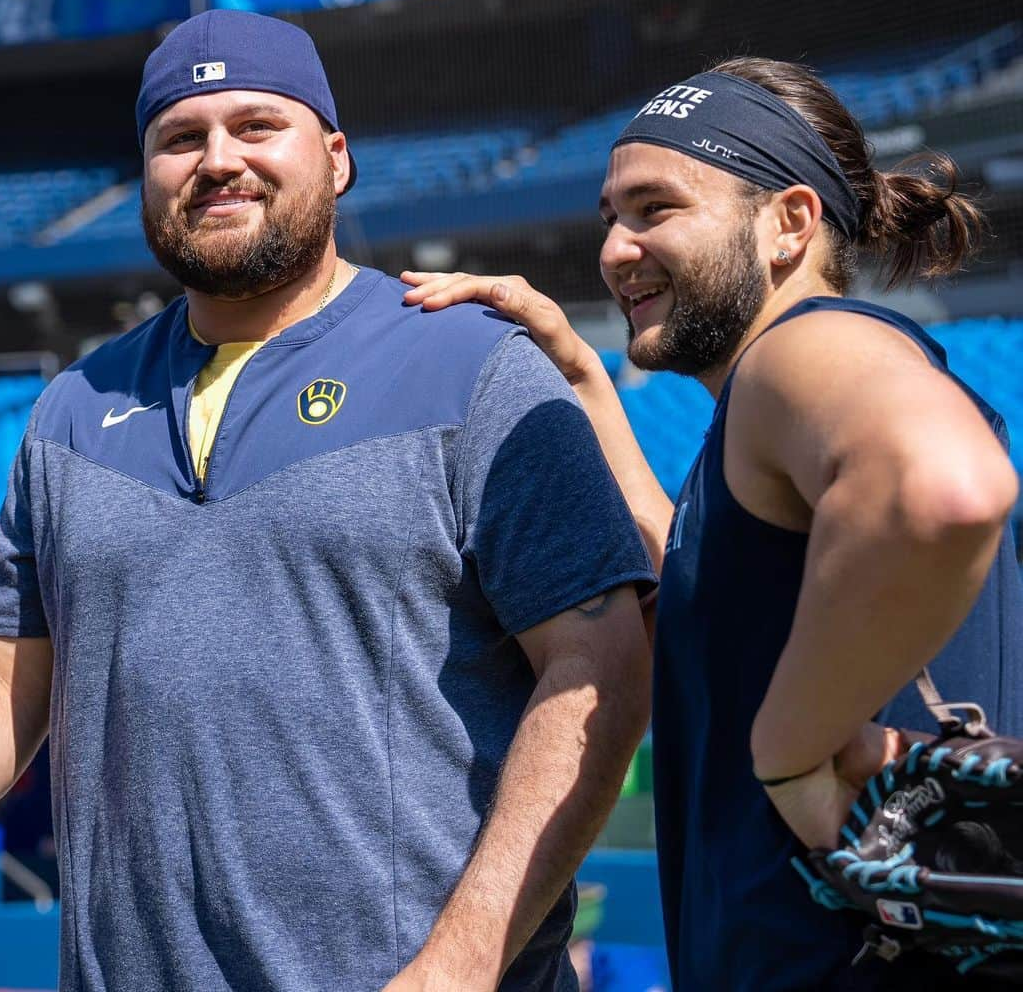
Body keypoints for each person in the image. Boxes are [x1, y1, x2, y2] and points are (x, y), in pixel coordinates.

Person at [0, 9, 656, 992]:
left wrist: (457, 968)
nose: (217, 159)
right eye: (181, 137)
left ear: (335, 157)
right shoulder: (71, 410)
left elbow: (598, 668)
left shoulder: (471, 366)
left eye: (255, 125)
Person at [401, 57, 1023, 990]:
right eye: (611, 217)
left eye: (657, 208)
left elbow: (940, 487)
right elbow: (695, 578)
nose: (614, 248)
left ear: (789, 224)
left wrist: (791, 752)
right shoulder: (761, 415)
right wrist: (582, 380)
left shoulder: (808, 347)